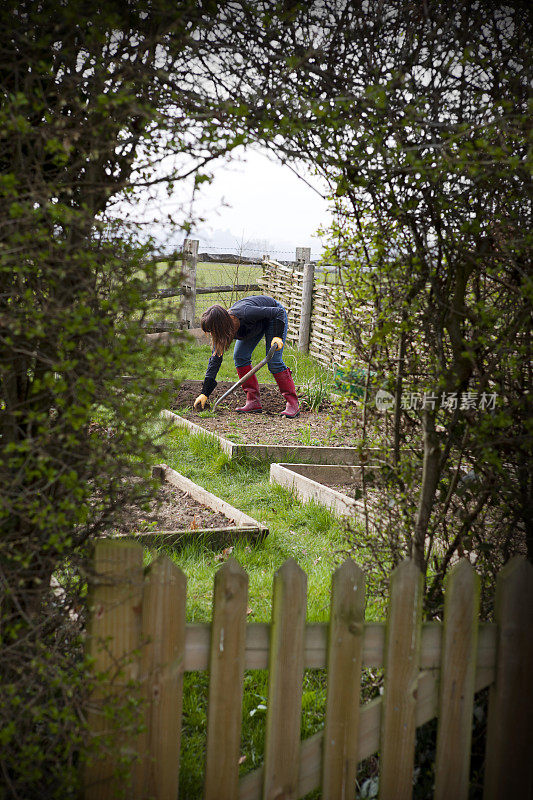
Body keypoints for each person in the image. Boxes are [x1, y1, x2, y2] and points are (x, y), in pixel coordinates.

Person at [193, 296, 300, 418]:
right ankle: (253, 401)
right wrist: (204, 393)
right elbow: (215, 361)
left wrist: (277, 336)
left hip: (274, 317)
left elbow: (278, 312)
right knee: (240, 356)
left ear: (221, 326)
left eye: (212, 331)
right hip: (255, 325)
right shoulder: (224, 331)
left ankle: (293, 403)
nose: (212, 334)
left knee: (274, 361)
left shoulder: (246, 313)